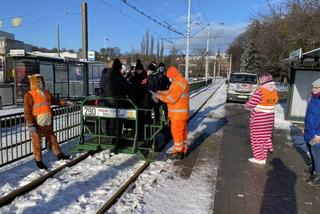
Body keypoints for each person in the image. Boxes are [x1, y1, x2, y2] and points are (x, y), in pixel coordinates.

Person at [24, 74, 73, 170]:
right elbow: (27, 111)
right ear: (34, 83)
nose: (41, 83)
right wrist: (30, 123)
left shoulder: (46, 93)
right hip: (36, 122)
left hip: (47, 121)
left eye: (41, 81)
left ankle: (59, 154)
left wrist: (65, 102)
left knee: (52, 138)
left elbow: (55, 101)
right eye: (38, 81)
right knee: (37, 143)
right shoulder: (29, 95)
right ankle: (39, 160)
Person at [156, 66, 189, 160]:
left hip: (177, 114)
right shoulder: (180, 81)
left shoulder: (178, 83)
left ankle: (177, 152)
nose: (169, 78)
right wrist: (161, 92)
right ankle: (183, 150)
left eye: (169, 76)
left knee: (177, 132)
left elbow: (171, 98)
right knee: (182, 132)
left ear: (172, 75)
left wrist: (159, 96)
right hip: (181, 114)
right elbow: (171, 92)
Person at [245, 72, 278, 165]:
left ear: (263, 80)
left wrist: (248, 103)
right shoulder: (274, 90)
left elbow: (250, 104)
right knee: (264, 139)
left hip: (259, 119)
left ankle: (258, 158)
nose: (258, 81)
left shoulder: (261, 90)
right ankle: (263, 158)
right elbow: (273, 102)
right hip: (269, 119)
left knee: (256, 139)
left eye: (259, 79)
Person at [304, 78, 320, 186]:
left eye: (316, 87)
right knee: (311, 152)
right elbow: (311, 115)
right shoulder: (314, 98)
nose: (313, 89)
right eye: (313, 87)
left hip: (316, 133)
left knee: (316, 153)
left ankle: (318, 176)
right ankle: (314, 169)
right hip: (310, 131)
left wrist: (318, 134)